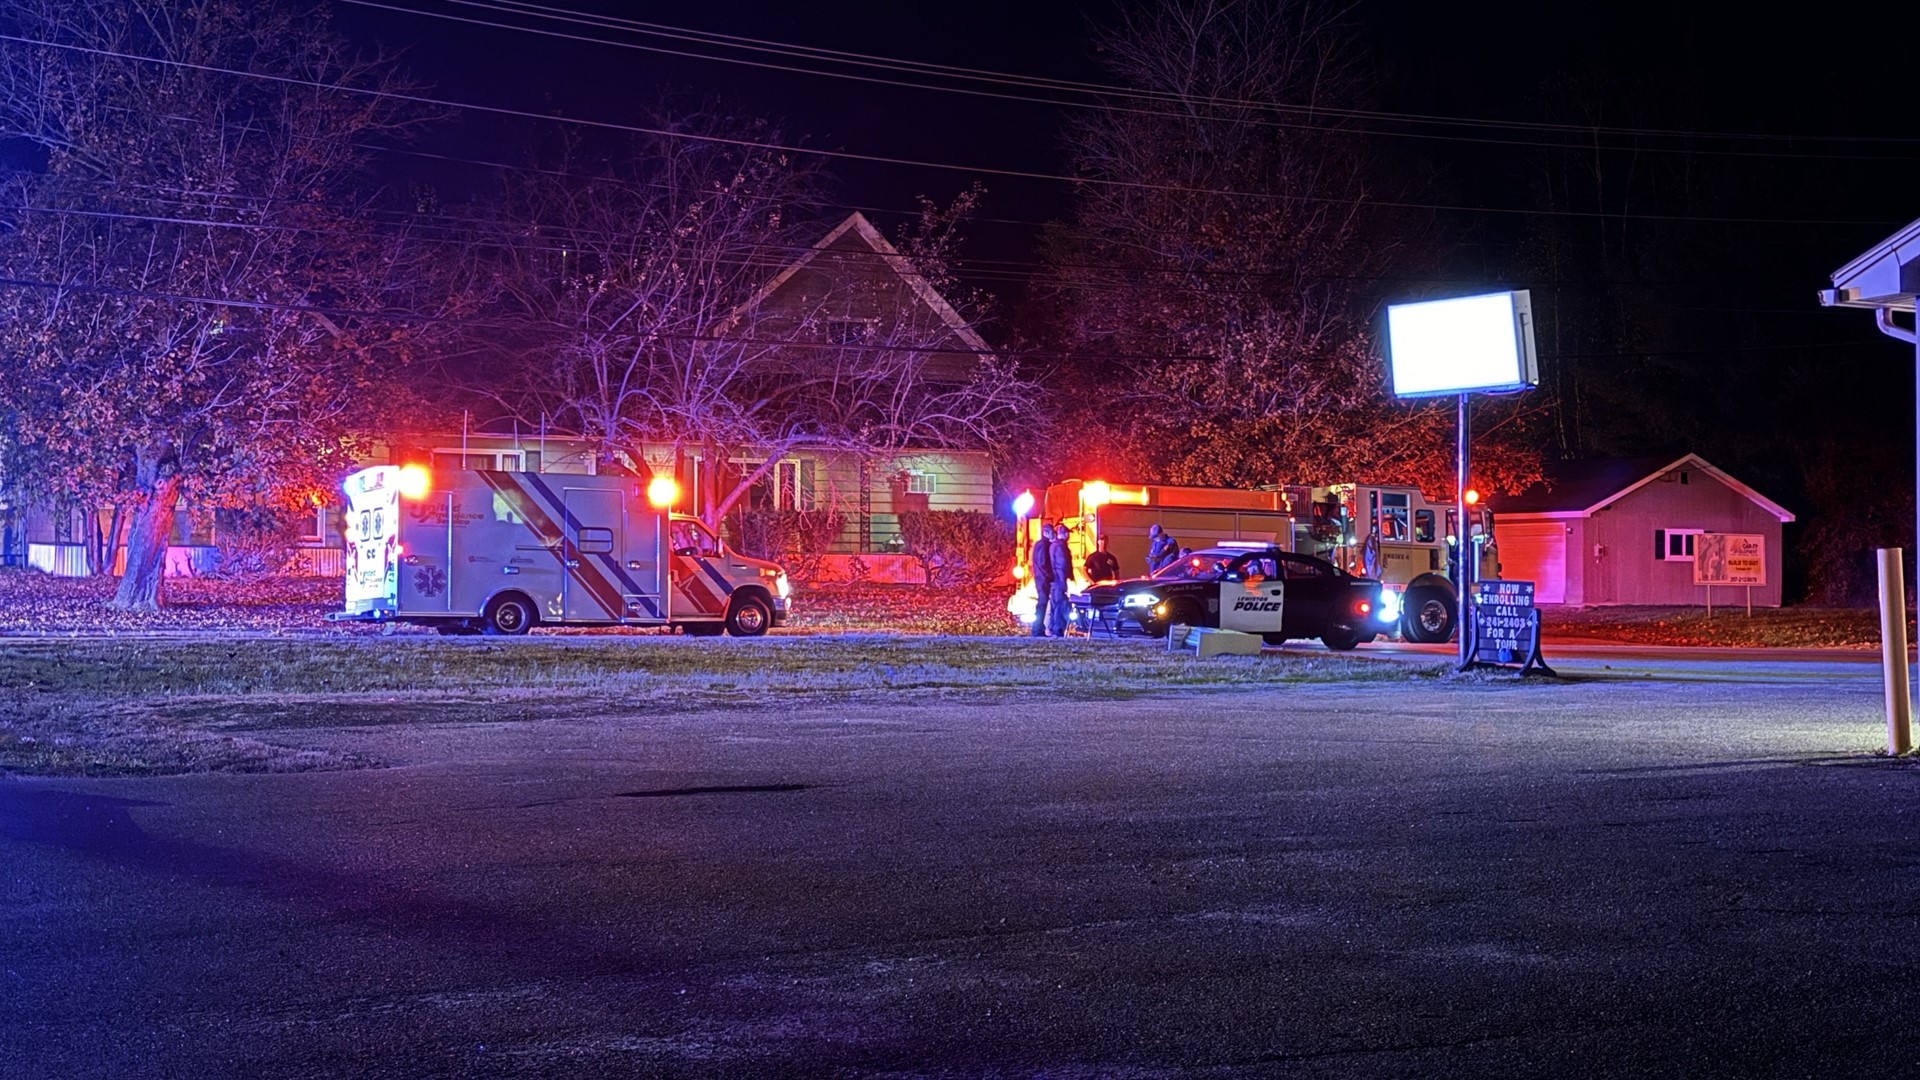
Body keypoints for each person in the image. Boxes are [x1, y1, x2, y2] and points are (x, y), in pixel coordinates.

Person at [1046, 523, 1072, 637]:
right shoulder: (1061, 546)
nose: (1068, 536)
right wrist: (1063, 582)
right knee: (1060, 604)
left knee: (1055, 604)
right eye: (1068, 533)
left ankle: (1052, 627)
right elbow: (1061, 565)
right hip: (1058, 581)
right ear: (1065, 534)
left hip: (1054, 582)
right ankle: (1058, 628)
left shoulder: (1053, 545)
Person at [1029, 523, 1054, 637]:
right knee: (1042, 603)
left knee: (1042, 602)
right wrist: (1050, 575)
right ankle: (1037, 628)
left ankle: (1039, 627)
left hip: (1041, 578)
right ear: (1045, 533)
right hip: (1043, 579)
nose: (1053, 534)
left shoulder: (1040, 544)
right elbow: (1043, 562)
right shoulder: (1044, 545)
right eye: (1051, 532)